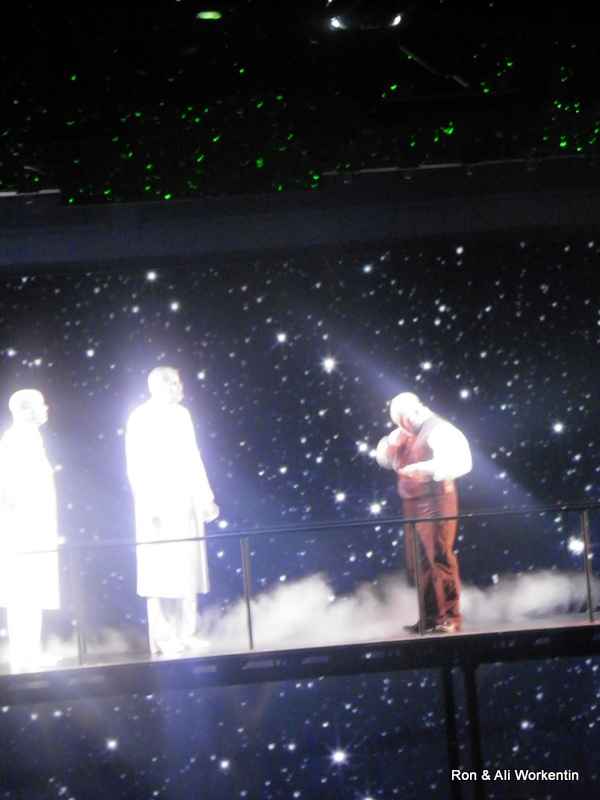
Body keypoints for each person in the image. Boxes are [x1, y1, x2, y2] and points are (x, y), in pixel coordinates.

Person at [125, 367, 219, 655]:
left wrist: (206, 497)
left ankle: (187, 632)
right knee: (164, 573)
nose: (179, 387)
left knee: (188, 568)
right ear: (157, 386)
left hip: (186, 502)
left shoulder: (182, 415)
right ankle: (165, 637)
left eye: (179, 382)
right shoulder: (141, 416)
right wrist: (148, 502)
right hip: (159, 506)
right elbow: (136, 464)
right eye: (173, 383)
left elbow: (194, 457)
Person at [376, 392, 472, 634]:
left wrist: (424, 469)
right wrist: (390, 450)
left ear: (415, 412)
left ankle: (451, 616)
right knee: (418, 563)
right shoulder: (403, 432)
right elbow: (383, 458)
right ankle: (430, 617)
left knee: (439, 558)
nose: (402, 427)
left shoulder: (440, 430)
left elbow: (462, 463)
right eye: (398, 423)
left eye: (404, 421)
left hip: (436, 501)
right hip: (412, 504)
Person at [0, 390, 61, 670]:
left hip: (36, 527)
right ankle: (24, 655)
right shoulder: (14, 441)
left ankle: (31, 652)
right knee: (22, 594)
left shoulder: (32, 438)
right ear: (25, 410)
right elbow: (8, 489)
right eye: (40, 404)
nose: (46, 408)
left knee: (32, 593)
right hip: (22, 530)